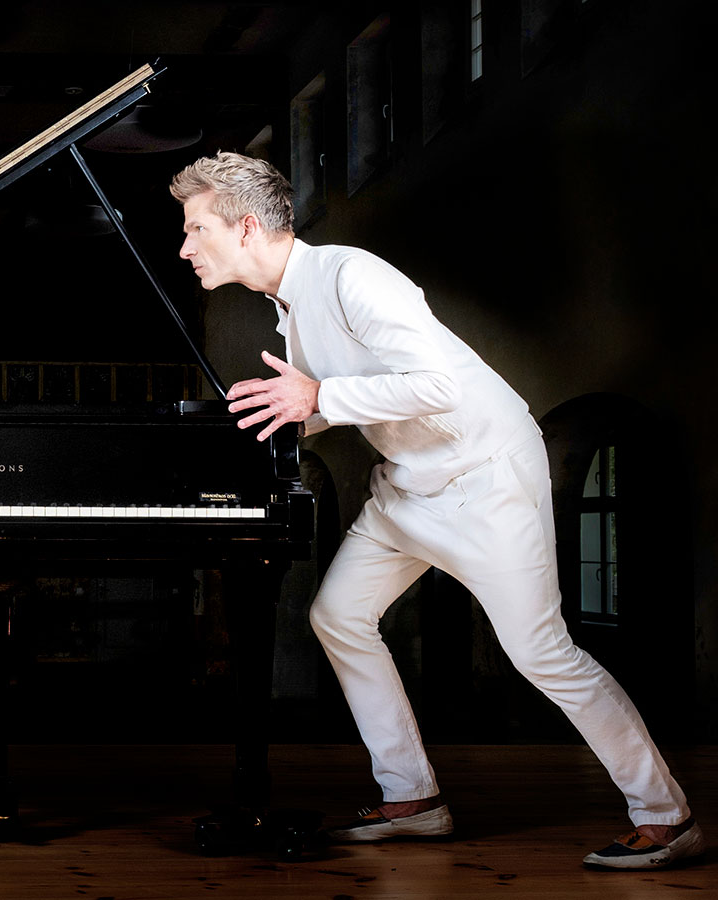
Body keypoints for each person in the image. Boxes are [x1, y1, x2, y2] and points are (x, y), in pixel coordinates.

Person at [168, 151, 702, 869]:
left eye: (196, 228)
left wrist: (318, 399)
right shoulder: (290, 302)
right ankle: (413, 799)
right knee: (338, 616)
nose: (185, 245)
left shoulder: (351, 274)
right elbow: (353, 389)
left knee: (542, 652)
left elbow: (436, 386)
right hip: (409, 486)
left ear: (247, 226)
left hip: (484, 479)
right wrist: (292, 410)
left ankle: (666, 815)